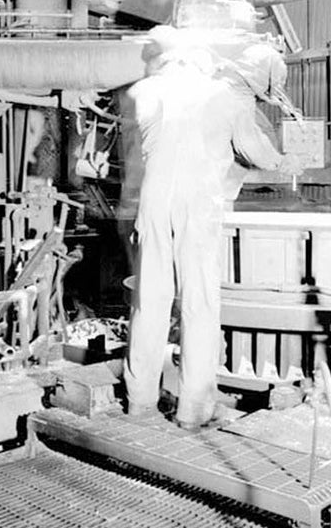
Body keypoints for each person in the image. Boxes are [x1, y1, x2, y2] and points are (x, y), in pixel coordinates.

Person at [122, 32, 300, 429]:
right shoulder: (226, 97)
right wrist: (287, 163)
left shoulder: (146, 91)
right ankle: (194, 410)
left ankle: (140, 404)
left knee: (149, 301)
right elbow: (257, 152)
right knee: (198, 304)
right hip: (198, 204)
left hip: (152, 203)